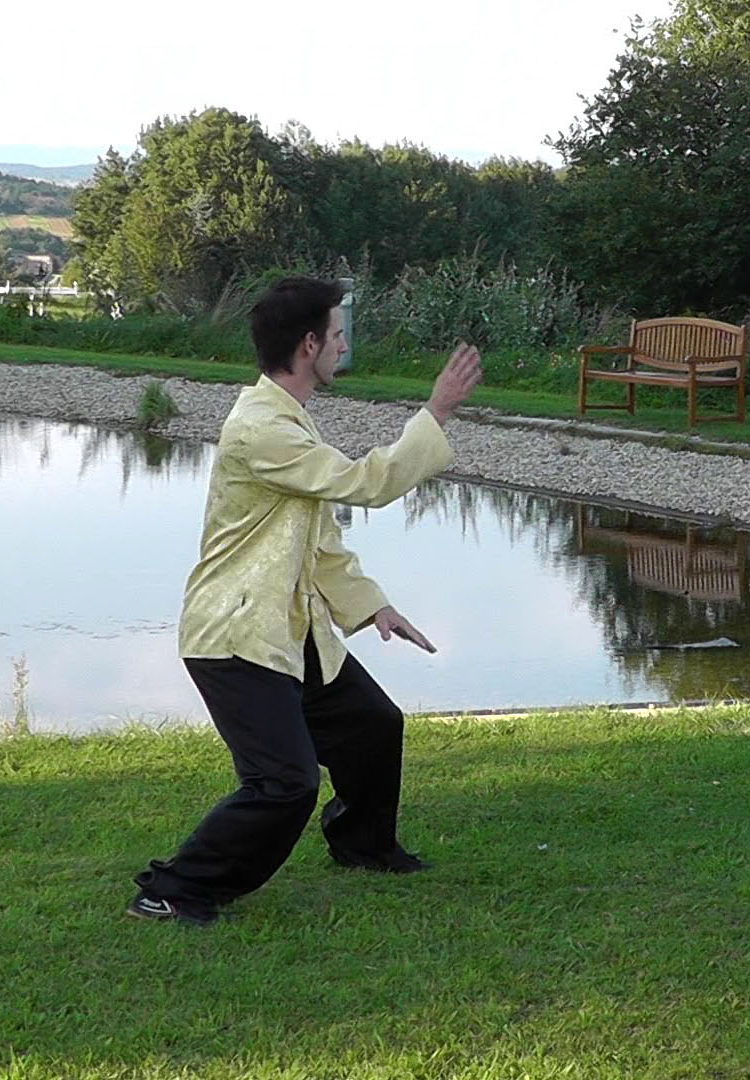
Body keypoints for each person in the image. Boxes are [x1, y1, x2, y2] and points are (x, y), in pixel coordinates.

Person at [126, 275, 484, 926]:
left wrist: (370, 604)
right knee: (285, 785)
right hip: (235, 637)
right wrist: (434, 414)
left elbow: (316, 538)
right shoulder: (261, 429)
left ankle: (363, 845)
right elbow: (362, 484)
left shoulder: (288, 417)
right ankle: (172, 889)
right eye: (339, 335)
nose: (345, 346)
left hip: (292, 627)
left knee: (374, 726)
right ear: (309, 344)